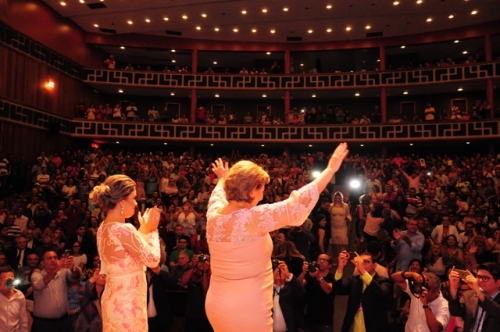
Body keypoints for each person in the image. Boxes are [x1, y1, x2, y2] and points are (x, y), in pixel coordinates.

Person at [205, 143, 349, 332]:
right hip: (246, 308)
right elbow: (297, 204)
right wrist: (330, 169)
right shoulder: (253, 218)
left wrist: (223, 178)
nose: (263, 193)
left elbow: (218, 194)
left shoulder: (213, 214)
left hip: (216, 303)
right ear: (250, 191)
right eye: (261, 188)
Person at [89, 174, 161, 332]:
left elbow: (133, 252)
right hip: (127, 306)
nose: (136, 203)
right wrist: (152, 231)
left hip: (114, 300)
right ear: (122, 201)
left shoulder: (103, 228)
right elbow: (153, 260)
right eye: (133, 198)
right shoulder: (124, 229)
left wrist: (143, 230)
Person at [335, 251, 392, 332]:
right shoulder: (354, 280)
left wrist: (363, 272)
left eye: (366, 262)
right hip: (353, 326)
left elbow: (382, 294)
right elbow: (338, 290)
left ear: (374, 265)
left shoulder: (383, 281)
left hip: (373, 327)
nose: (362, 264)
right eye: (360, 262)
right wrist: (340, 267)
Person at [31, 251, 81, 332]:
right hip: (43, 324)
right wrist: (54, 271)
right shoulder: (37, 275)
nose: (53, 260)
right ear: (42, 263)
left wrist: (73, 268)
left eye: (55, 257)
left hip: (63, 321)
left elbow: (75, 278)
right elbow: (38, 285)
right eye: (49, 258)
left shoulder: (63, 272)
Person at [448, 263, 500, 332]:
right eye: (478, 277)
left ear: (498, 283)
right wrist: (453, 288)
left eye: (485, 278)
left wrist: (478, 292)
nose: (480, 281)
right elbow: (455, 311)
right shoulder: (469, 295)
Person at [298, 253, 335, 332]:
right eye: (319, 259)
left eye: (324, 260)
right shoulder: (310, 275)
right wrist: (303, 273)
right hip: (310, 318)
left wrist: (318, 276)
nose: (320, 261)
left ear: (330, 265)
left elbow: (328, 290)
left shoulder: (332, 277)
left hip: (325, 320)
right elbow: (299, 286)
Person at [271, 260, 306, 332]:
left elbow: (302, 294)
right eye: (276, 269)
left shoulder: (291, 288)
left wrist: (289, 274)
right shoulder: (267, 289)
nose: (278, 271)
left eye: (281, 270)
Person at [0, 265, 28, 332]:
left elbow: (23, 320)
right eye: (5, 279)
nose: (9, 281)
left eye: (11, 279)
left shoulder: (19, 295)